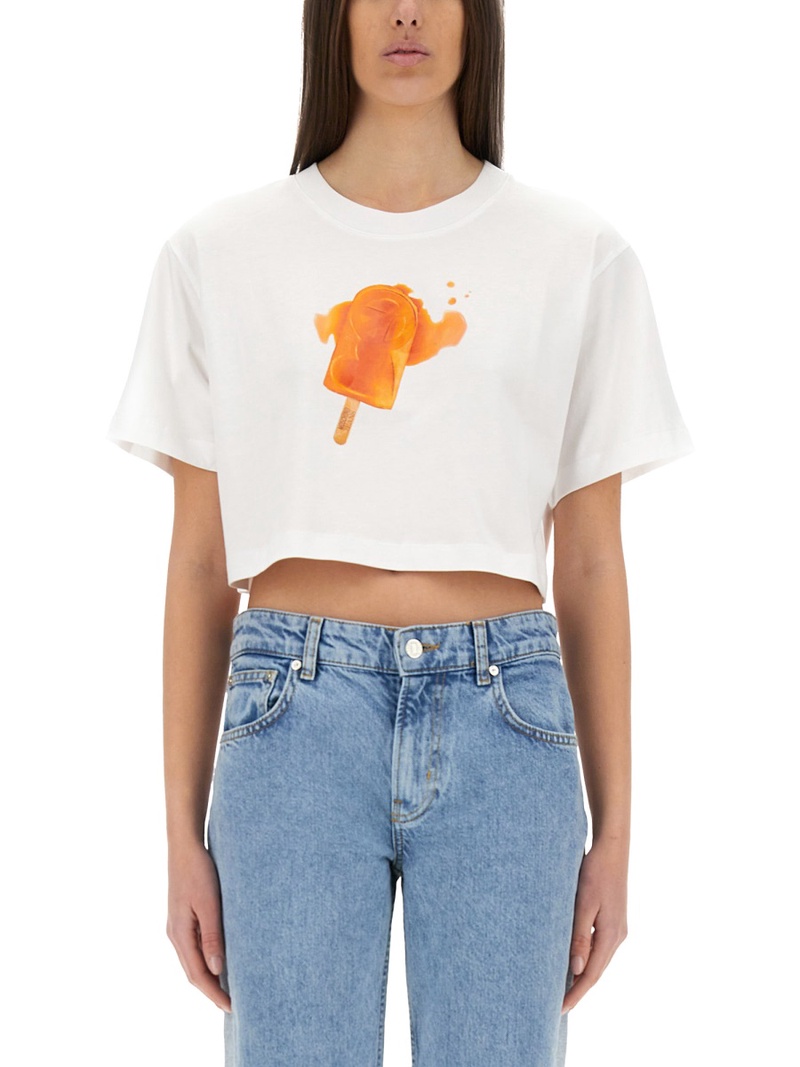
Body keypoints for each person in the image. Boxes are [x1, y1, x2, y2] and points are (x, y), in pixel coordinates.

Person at [106, 1, 692, 1063]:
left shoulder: (577, 255)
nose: (408, 11)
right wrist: (181, 833)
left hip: (507, 722)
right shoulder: (219, 253)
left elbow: (591, 558)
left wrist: (614, 832)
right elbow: (199, 561)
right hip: (289, 718)